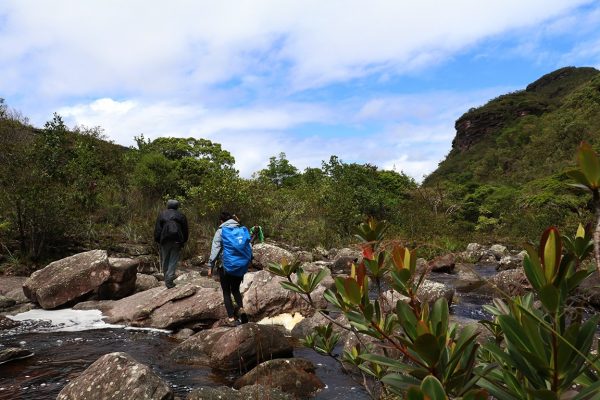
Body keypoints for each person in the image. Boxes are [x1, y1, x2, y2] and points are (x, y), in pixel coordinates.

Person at [208, 211, 251, 326]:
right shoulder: (241, 230)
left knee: (226, 291)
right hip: (240, 265)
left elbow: (215, 250)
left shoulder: (221, 231)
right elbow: (249, 247)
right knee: (235, 290)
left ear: (221, 221)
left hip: (225, 266)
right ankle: (241, 309)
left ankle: (231, 318)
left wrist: (210, 265)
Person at [154, 199, 188, 289]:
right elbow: (185, 230)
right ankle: (169, 280)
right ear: (177, 206)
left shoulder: (162, 214)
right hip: (177, 240)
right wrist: (183, 241)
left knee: (165, 260)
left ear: (168, 205)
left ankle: (167, 280)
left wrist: (158, 240)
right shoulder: (181, 215)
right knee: (173, 260)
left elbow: (158, 229)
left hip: (165, 240)